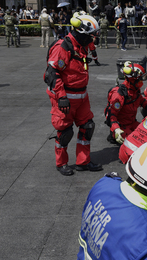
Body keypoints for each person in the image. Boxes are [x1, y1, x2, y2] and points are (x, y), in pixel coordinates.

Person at [44, 13, 103, 176]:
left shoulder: (81, 45)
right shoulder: (63, 46)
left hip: (82, 96)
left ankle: (83, 162)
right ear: (81, 32)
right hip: (66, 98)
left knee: (87, 126)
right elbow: (51, 73)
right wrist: (61, 97)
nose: (93, 39)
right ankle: (61, 163)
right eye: (91, 35)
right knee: (65, 132)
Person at [105, 62, 147, 144]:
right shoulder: (119, 94)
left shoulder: (135, 90)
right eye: (140, 80)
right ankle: (114, 135)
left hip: (132, 123)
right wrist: (116, 129)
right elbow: (112, 115)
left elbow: (142, 101)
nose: (141, 82)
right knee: (137, 142)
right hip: (122, 127)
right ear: (133, 79)